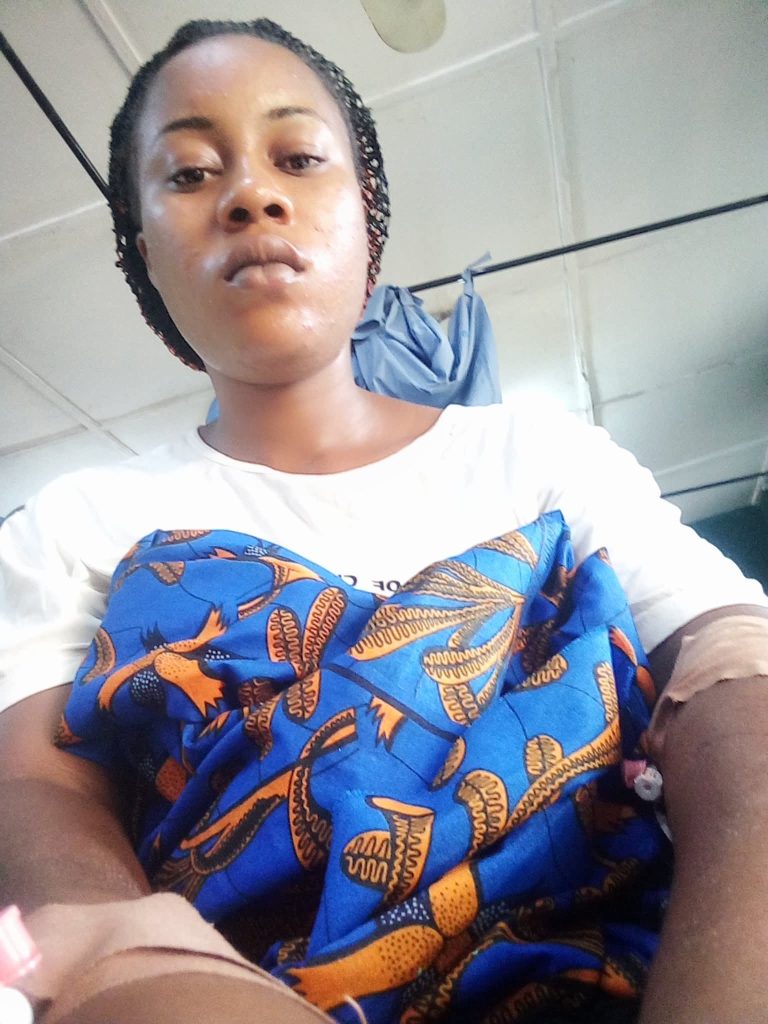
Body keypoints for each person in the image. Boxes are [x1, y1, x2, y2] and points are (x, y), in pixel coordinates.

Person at [1, 17, 767, 1024]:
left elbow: (727, 669)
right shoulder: (76, 521)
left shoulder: (541, 457)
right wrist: (131, 962)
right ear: (146, 253)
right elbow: (38, 789)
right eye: (189, 174)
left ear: (365, 215)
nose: (250, 195)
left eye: (297, 158)